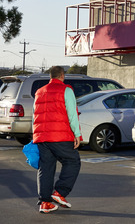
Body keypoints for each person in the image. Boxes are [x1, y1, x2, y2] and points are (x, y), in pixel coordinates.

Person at [32, 66, 82, 213]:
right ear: (62, 75)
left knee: (45, 168)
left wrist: (35, 135)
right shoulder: (66, 90)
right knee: (73, 161)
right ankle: (59, 192)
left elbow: (36, 115)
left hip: (42, 137)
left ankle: (45, 203)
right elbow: (72, 114)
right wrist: (77, 134)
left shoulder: (39, 92)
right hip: (60, 136)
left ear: (50, 76)